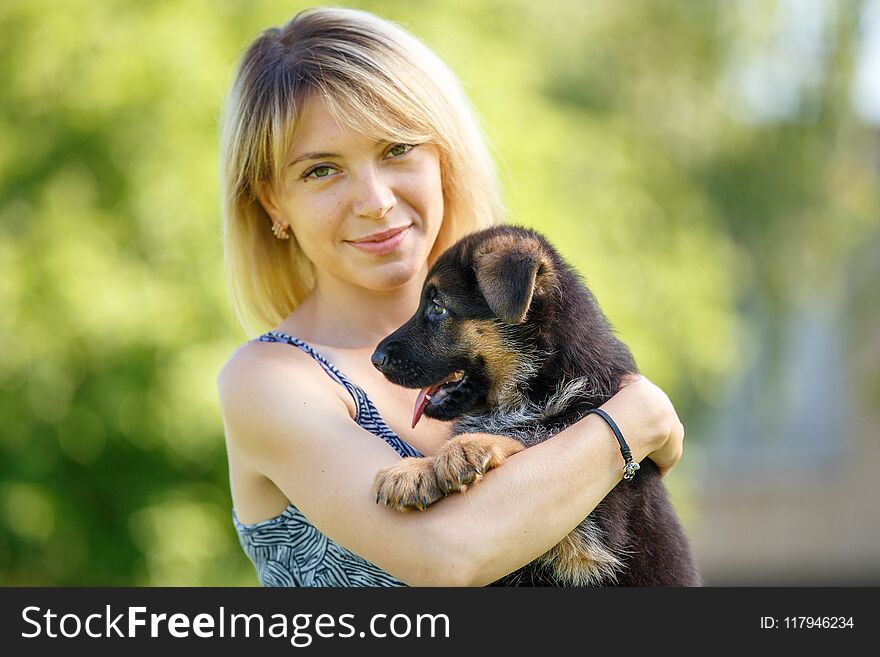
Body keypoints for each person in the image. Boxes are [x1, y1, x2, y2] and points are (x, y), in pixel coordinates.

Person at [217, 6, 685, 587]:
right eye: (321, 171)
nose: (375, 200)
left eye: (396, 150)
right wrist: (630, 422)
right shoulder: (271, 382)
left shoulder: (521, 329)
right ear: (272, 204)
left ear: (443, 157)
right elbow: (446, 557)